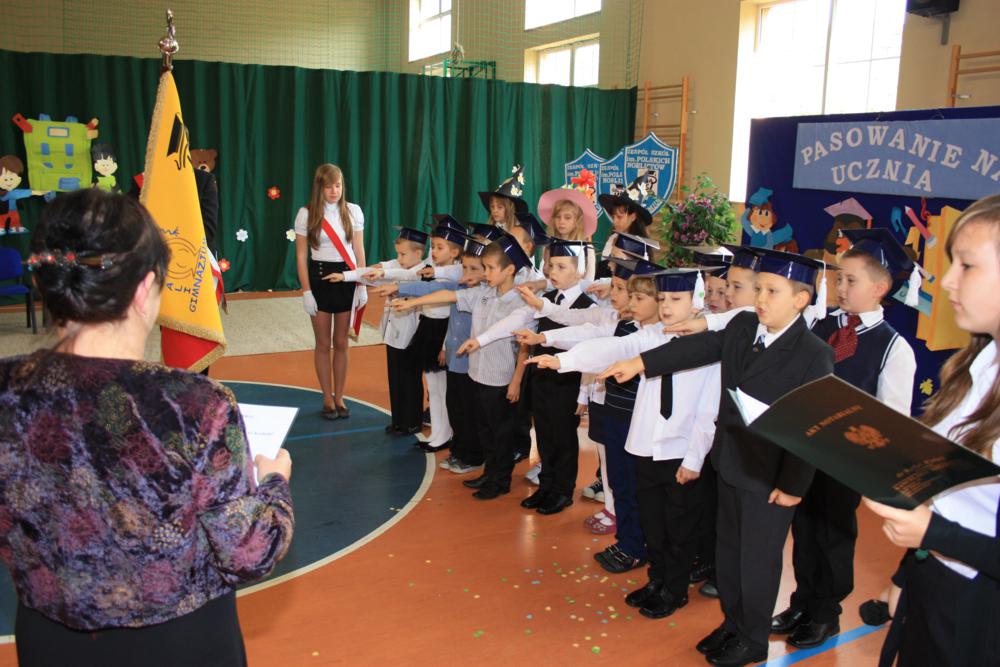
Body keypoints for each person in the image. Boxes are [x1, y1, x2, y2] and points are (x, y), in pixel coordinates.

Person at [0, 189, 293, 666]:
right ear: (144, 288)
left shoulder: (7, 391)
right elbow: (249, 553)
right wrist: (275, 482)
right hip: (178, 644)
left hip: (49, 638)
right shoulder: (195, 405)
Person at [600, 248, 835, 666]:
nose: (761, 299)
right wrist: (639, 362)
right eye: (759, 289)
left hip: (769, 479)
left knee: (757, 561)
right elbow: (698, 349)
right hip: (730, 464)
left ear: (801, 300)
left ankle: (753, 638)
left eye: (772, 291)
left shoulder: (813, 353)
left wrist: (793, 486)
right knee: (729, 554)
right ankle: (732, 623)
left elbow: (810, 427)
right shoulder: (744, 326)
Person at [864, 193, 1000, 667]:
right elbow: (951, 496)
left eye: (968, 265)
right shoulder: (977, 365)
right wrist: (906, 575)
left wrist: (934, 533)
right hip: (936, 583)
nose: (948, 281)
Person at [772, 228, 918, 649]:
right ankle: (801, 601)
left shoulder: (893, 348)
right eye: (839, 278)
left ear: (880, 288)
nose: (841, 287)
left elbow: (892, 417)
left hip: (845, 460)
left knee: (832, 536)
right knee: (803, 531)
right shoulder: (819, 325)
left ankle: (826, 612)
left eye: (851, 280)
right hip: (805, 451)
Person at [391, 234, 534, 500]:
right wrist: (412, 302)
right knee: (485, 429)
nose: (485, 274)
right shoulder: (483, 293)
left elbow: (523, 346)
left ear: (510, 270)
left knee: (500, 432)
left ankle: (500, 480)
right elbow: (449, 294)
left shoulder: (521, 301)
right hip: (477, 373)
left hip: (500, 378)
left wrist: (516, 381)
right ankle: (489, 473)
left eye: (490, 268)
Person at [295, 163, 366, 420]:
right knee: (323, 343)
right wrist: (306, 291)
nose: (334, 191)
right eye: (328, 186)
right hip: (320, 280)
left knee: (342, 342)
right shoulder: (306, 214)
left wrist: (362, 284)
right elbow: (301, 256)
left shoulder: (353, 211)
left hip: (347, 279)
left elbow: (359, 250)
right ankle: (327, 396)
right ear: (319, 188)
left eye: (338, 185)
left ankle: (340, 396)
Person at [538, 188, 598, 282]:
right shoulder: (548, 245)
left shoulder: (587, 249)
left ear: (577, 221)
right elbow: (543, 275)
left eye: (567, 218)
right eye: (558, 217)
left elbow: (589, 281)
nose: (561, 221)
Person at [478, 165, 528, 231]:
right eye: (492, 207)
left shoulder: (518, 230)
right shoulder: (489, 229)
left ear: (510, 208)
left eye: (500, 207)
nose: (495, 210)